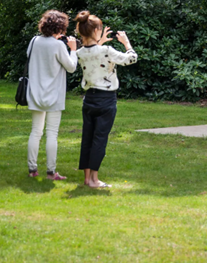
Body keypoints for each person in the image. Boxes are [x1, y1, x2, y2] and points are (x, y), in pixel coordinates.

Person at [75, 11, 138, 188]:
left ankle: (87, 179)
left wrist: (99, 41)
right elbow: (131, 59)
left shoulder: (79, 53)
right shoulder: (106, 51)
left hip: (88, 100)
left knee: (87, 138)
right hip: (106, 100)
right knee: (99, 139)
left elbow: (93, 54)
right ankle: (94, 180)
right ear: (96, 31)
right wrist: (126, 43)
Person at [27, 10, 78, 180]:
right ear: (60, 27)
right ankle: (51, 172)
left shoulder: (34, 41)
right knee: (51, 133)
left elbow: (30, 57)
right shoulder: (58, 45)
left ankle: (32, 169)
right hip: (54, 95)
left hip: (35, 92)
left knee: (36, 132)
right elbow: (71, 67)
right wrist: (73, 50)